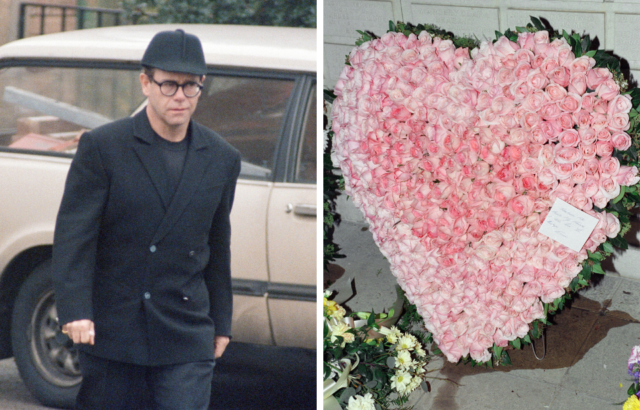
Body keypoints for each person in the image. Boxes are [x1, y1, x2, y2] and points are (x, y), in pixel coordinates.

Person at [51, 29, 241, 410]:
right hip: (114, 327)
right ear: (145, 83)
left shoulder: (221, 158)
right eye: (169, 84)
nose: (180, 97)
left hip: (185, 328)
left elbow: (216, 244)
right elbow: (75, 236)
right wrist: (75, 311)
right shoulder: (104, 148)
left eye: (191, 86)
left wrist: (222, 321)